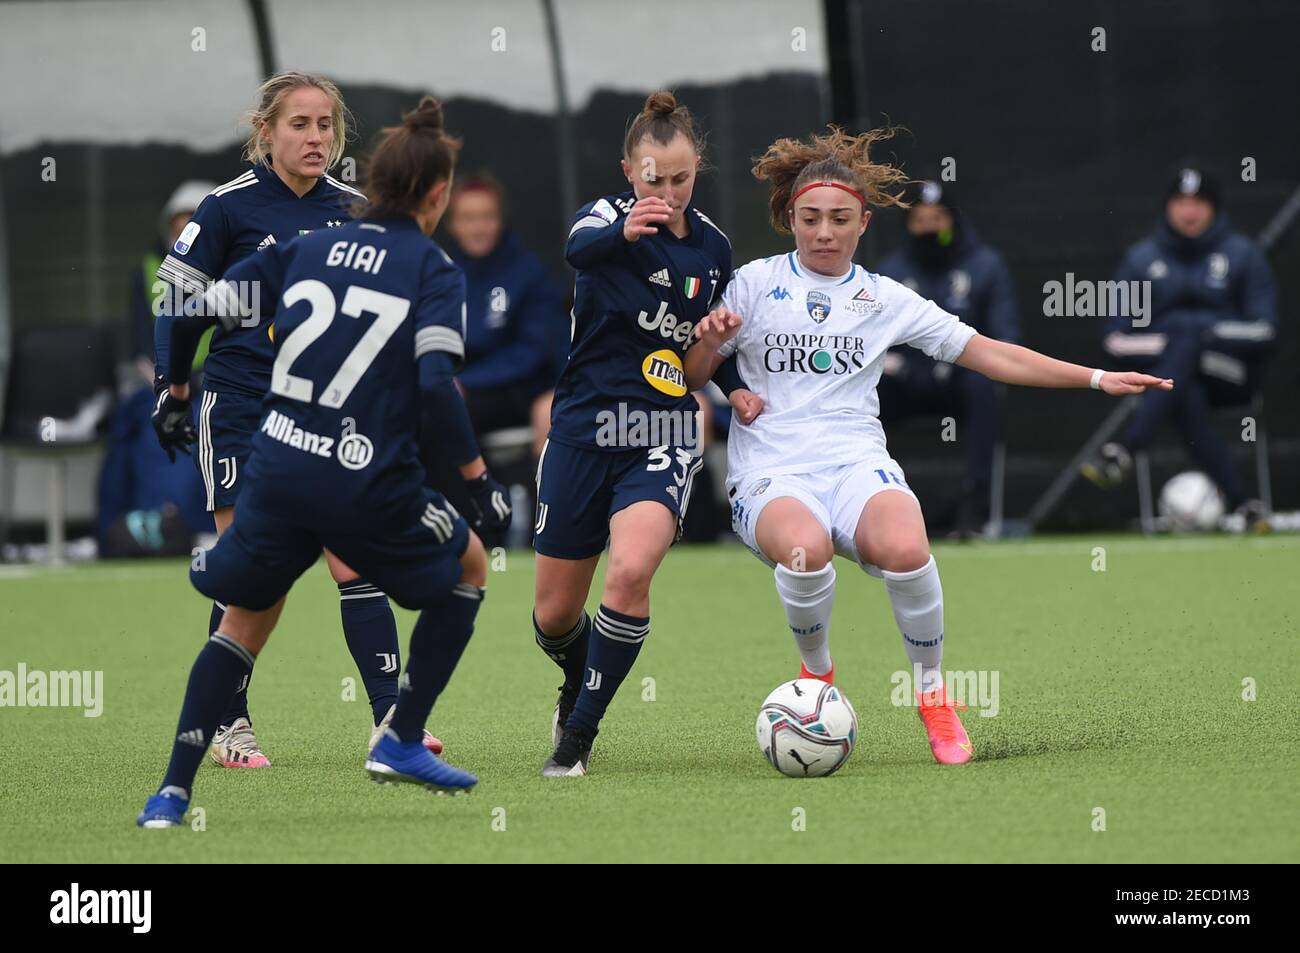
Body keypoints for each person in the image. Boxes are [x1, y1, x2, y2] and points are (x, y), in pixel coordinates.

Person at [684, 127, 1171, 764]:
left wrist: (1096, 376)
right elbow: (690, 377)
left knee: (909, 548)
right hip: (772, 472)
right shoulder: (750, 285)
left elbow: (990, 354)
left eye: (838, 219)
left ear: (863, 222)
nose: (823, 232)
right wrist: (712, 345)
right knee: (806, 553)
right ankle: (818, 682)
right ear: (790, 220)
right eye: (809, 219)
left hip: (856, 464)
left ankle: (933, 694)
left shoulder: (883, 297)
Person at [138, 96, 510, 827]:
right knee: (466, 565)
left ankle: (171, 794)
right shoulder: (430, 268)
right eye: (299, 124)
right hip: (350, 454)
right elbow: (436, 385)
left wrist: (173, 387)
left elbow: (186, 309)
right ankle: (399, 733)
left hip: (283, 451)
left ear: (365, 173)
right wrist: (475, 481)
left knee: (248, 613)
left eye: (325, 127)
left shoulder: (307, 246)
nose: (314, 137)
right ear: (437, 196)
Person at [531, 91, 755, 776]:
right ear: (630, 172)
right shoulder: (605, 219)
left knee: (629, 570)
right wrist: (624, 233)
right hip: (580, 430)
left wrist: (726, 370)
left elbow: (694, 358)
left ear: (697, 171)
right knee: (553, 618)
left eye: (681, 177)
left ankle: (575, 740)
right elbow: (575, 250)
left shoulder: (713, 247)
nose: (668, 190)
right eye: (653, 178)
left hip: (660, 428)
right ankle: (577, 672)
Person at [1081, 163, 1277, 529]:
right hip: (1170, 380)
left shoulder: (1243, 254)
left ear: (1214, 208)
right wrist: (1174, 340)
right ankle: (1244, 504)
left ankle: (1126, 449)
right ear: (1168, 207)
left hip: (1230, 374)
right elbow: (1114, 340)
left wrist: (1203, 332)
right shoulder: (1141, 259)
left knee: (1186, 341)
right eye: (1181, 202)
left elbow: (1265, 332)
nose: (1190, 211)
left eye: (1199, 202)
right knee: (1182, 387)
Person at [876, 180, 1020, 535]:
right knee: (862, 388)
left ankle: (973, 508)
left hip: (960, 380)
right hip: (904, 382)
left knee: (983, 386)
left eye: (938, 218)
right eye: (919, 220)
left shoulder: (984, 266)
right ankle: (875, 509)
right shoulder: (891, 272)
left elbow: (1006, 338)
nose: (929, 228)